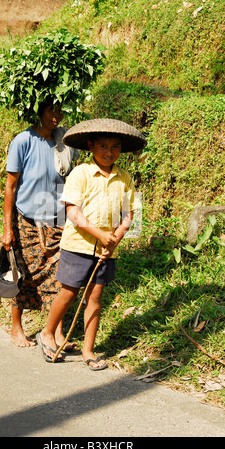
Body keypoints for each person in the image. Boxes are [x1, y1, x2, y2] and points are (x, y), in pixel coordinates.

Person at [39, 118, 146, 369]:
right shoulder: (81, 173)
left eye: (115, 147)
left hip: (107, 250)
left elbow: (131, 214)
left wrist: (116, 237)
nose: (109, 152)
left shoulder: (125, 177)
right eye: (103, 146)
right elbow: (73, 212)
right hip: (78, 245)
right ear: (90, 146)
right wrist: (100, 234)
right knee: (68, 292)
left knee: (95, 297)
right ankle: (48, 332)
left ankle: (89, 350)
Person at [1, 97, 79, 347]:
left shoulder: (64, 142)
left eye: (60, 110)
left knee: (59, 276)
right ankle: (16, 328)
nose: (56, 115)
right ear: (39, 111)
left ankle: (55, 331)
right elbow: (11, 187)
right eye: (50, 110)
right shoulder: (24, 141)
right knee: (21, 275)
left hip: (57, 218)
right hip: (26, 218)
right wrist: (7, 228)